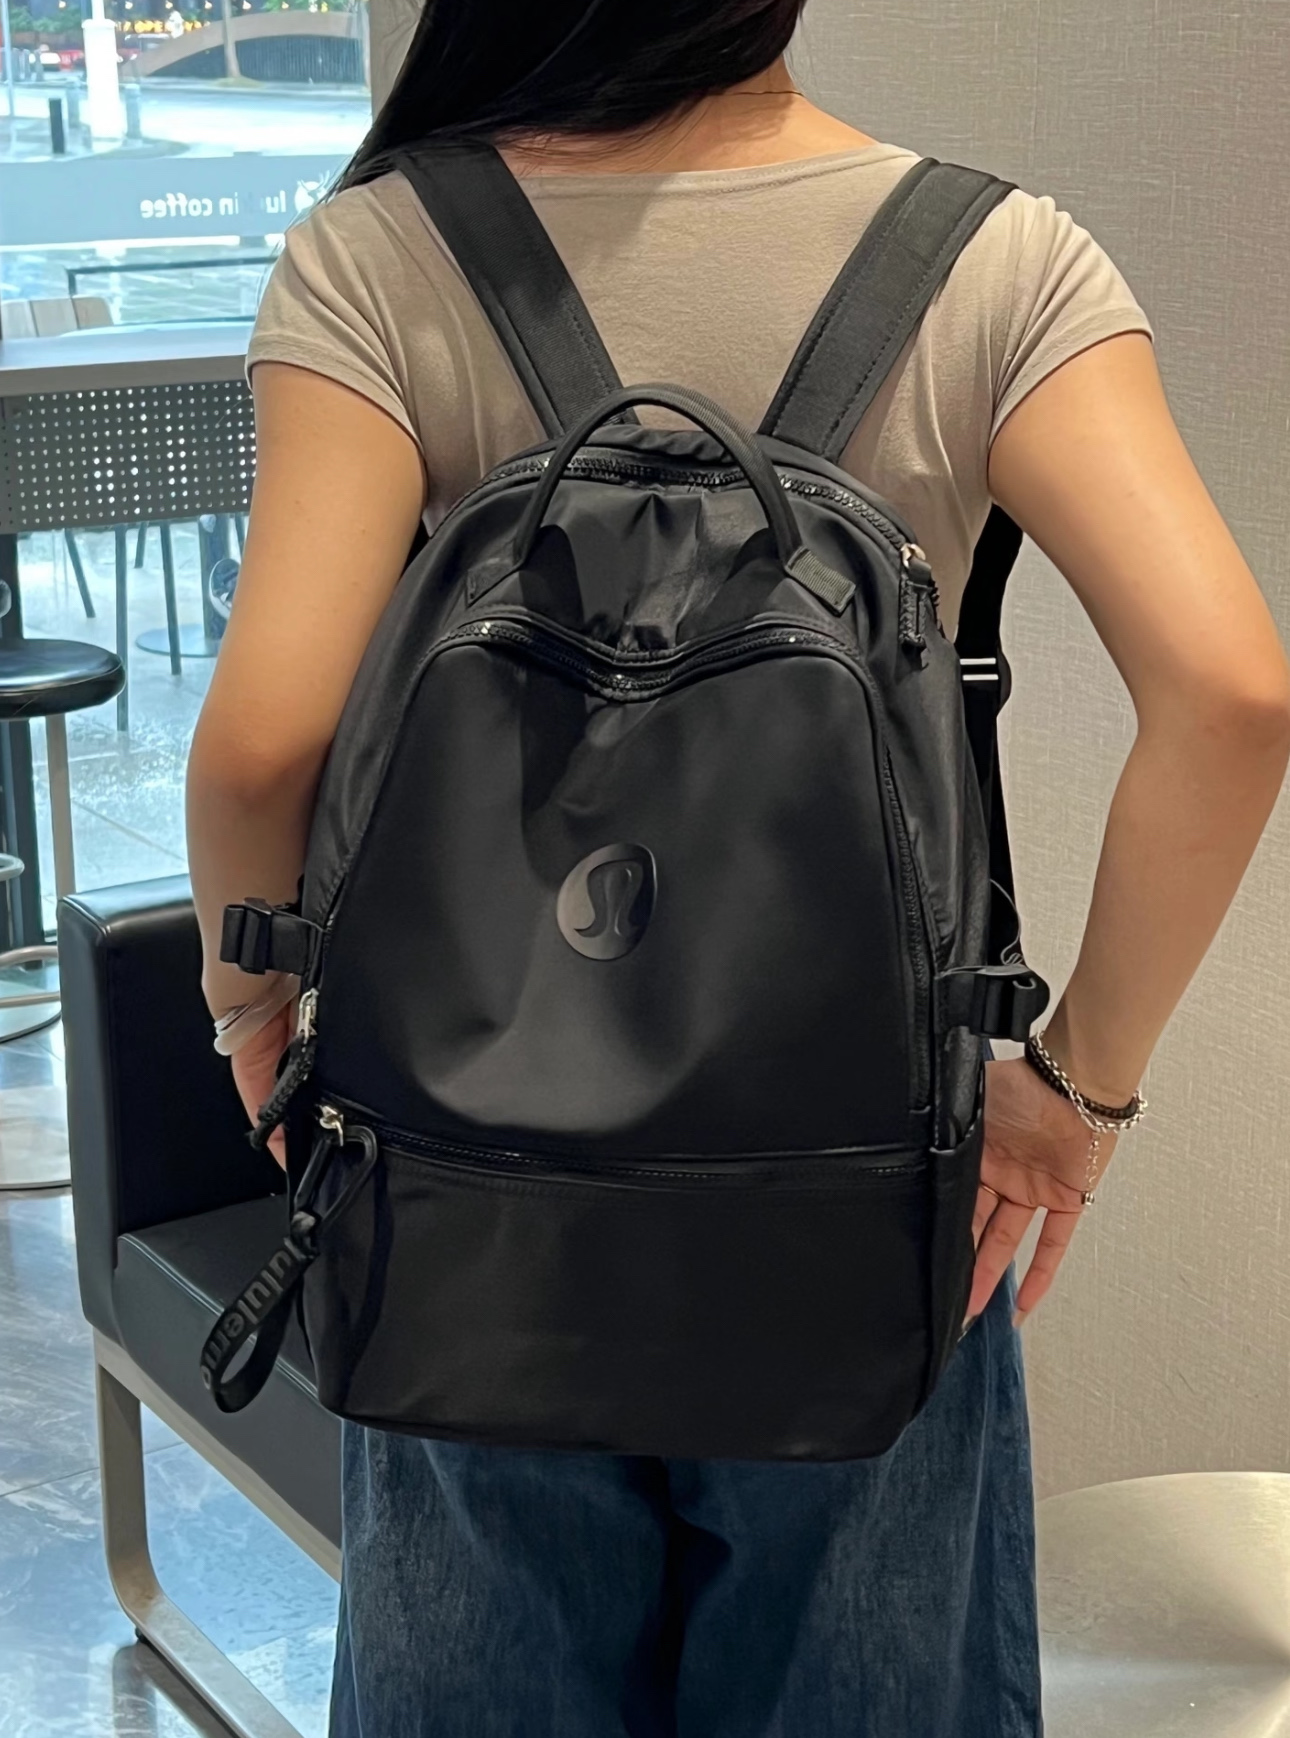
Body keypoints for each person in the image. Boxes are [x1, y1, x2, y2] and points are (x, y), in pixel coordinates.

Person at [185, 3, 1290, 1732]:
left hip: (475, 1187)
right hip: (861, 1177)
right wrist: (1074, 1092)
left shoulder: (380, 254)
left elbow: (265, 743)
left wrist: (252, 1006)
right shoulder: (998, 263)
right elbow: (1228, 698)